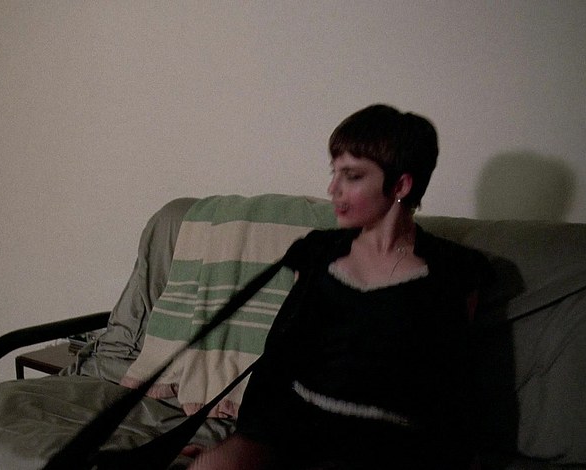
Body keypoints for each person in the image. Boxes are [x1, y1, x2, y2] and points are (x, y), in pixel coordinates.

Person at [188, 104, 490, 469]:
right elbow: (279, 361)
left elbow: (452, 395)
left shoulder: (453, 272)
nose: (333, 189)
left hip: (386, 446)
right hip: (294, 429)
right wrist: (243, 445)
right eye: (335, 173)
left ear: (400, 185)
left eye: (352, 176)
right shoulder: (317, 252)